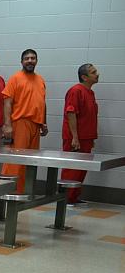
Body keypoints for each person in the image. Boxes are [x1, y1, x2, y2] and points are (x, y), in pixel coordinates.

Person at [1, 49, 47, 191]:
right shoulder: (15, 78)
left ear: (37, 61)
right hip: (20, 123)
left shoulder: (40, 80)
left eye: (33, 58)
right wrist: (7, 125)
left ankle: (25, 191)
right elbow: (7, 102)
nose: (30, 61)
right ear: (21, 61)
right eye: (27, 58)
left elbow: (42, 102)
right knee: (16, 160)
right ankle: (10, 191)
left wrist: (43, 122)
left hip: (35, 125)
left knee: (31, 161)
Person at [60, 64, 100, 205]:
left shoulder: (90, 93)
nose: (97, 74)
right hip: (75, 138)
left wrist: (91, 137)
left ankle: (74, 197)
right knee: (72, 169)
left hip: (86, 138)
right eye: (93, 72)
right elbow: (71, 113)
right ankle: (65, 199)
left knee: (81, 170)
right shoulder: (76, 91)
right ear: (84, 77)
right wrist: (75, 137)